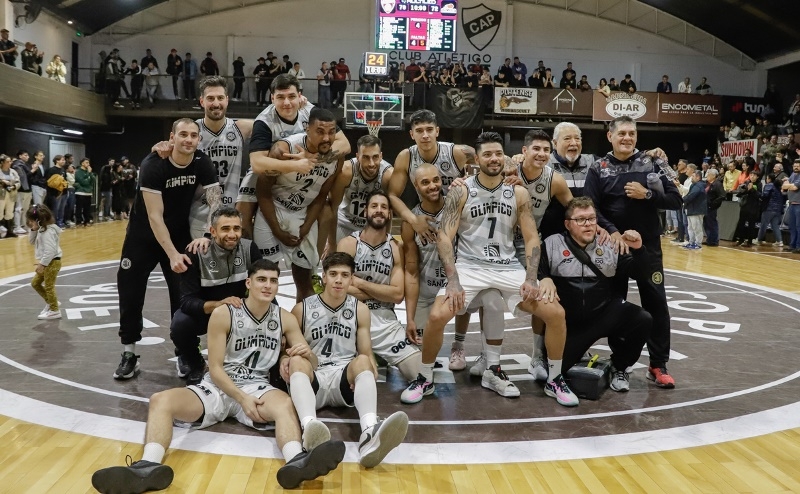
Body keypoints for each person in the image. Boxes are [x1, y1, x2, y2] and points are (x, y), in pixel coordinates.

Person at [92, 259, 345, 493]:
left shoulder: (284, 318)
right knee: (160, 400)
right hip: (217, 386)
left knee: (285, 405)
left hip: (257, 386)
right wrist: (241, 398)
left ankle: (297, 462)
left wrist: (303, 355)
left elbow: (311, 360)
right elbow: (214, 368)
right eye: (261, 279)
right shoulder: (225, 313)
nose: (268, 285)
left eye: (273, 280)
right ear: (249, 283)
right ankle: (147, 467)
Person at [401, 132, 579, 406]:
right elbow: (445, 237)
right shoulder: (461, 190)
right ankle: (425, 378)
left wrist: (532, 277)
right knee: (437, 317)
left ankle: (554, 379)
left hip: (507, 267)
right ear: (478, 159)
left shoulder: (518, 192)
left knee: (555, 313)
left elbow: (532, 237)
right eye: (487, 154)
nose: (493, 158)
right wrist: (453, 279)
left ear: (504, 157)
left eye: (498, 153)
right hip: (470, 267)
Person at [113, 118, 220, 380]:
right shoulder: (153, 165)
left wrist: (208, 233)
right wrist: (172, 254)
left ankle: (185, 352)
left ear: (198, 140)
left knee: (183, 296)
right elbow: (155, 217)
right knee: (130, 291)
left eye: (193, 135)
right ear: (171, 138)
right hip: (143, 237)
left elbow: (215, 199)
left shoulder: (201, 162)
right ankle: (129, 352)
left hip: (178, 233)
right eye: (183, 134)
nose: (188, 140)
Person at [584, 116, 683, 388]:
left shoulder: (654, 162)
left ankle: (658, 364)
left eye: (632, 133)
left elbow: (676, 199)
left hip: (648, 247)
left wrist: (647, 195)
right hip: (613, 247)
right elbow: (591, 207)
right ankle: (620, 363)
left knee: (657, 304)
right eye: (622, 133)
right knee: (617, 305)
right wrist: (613, 232)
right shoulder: (598, 167)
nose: (627, 138)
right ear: (610, 136)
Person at [286, 251, 409, 467]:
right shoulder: (301, 309)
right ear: (323, 277)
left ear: (352, 279)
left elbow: (366, 351)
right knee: (296, 360)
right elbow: (287, 352)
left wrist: (368, 370)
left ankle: (370, 434)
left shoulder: (360, 310)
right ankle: (309, 429)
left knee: (363, 361)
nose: (338, 280)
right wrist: (285, 361)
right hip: (313, 378)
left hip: (344, 381)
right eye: (333, 274)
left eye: (345, 275)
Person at [386, 109, 476, 364]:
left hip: (458, 214)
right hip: (426, 214)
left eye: (429, 129)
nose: (425, 135)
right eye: (419, 130)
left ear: (437, 131)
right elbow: (393, 194)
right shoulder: (406, 156)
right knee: (421, 354)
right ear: (411, 134)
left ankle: (458, 344)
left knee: (461, 282)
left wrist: (470, 179)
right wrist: (413, 220)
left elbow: (492, 162)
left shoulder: (457, 152)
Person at [539, 197, 652, 390]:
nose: (588, 224)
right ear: (568, 224)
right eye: (581, 220)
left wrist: (639, 249)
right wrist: (544, 278)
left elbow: (641, 273)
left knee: (643, 319)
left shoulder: (610, 244)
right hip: (569, 323)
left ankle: (620, 366)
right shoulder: (551, 244)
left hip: (602, 314)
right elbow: (537, 272)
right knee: (554, 372)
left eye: (591, 219)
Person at [237, 74, 351, 239]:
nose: (287, 103)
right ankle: (248, 258)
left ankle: (320, 253)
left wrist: (314, 157)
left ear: (300, 96)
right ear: (272, 99)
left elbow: (345, 144)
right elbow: (257, 163)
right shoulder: (263, 122)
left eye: (291, 96)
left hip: (308, 168)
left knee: (325, 209)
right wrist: (294, 165)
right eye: (280, 97)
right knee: (242, 215)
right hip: (275, 169)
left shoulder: (310, 110)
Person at [336, 191, 425, 396]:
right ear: (365, 210)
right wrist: (379, 291)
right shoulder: (349, 244)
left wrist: (358, 282)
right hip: (350, 317)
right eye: (374, 206)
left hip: (384, 320)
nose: (379, 210)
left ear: (390, 214)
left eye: (384, 207)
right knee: (343, 377)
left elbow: (396, 295)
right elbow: (338, 288)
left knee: (421, 376)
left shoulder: (396, 247)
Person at [254, 108, 343, 302]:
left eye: (331, 132)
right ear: (307, 129)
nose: (327, 138)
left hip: (302, 213)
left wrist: (306, 227)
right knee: (264, 279)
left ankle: (301, 327)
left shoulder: (336, 157)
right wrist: (277, 230)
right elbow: (262, 192)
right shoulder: (283, 150)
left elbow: (321, 196)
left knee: (306, 283)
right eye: (320, 131)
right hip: (273, 210)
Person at [151, 76, 256, 240]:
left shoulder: (240, 128)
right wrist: (160, 146)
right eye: (210, 98)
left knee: (235, 264)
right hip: (199, 215)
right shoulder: (191, 132)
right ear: (202, 101)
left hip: (232, 213)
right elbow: (165, 148)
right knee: (204, 263)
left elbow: (270, 123)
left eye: (220, 98)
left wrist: (303, 105)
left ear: (227, 100)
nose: (216, 103)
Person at [170, 207, 262, 384]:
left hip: (240, 311)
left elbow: (263, 286)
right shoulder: (195, 253)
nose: (232, 234)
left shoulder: (250, 248)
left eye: (236, 228)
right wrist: (219, 304)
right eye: (225, 229)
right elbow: (187, 302)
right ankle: (196, 364)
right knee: (180, 324)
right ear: (212, 231)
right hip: (208, 312)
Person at [328, 134, 393, 245]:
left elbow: (389, 212)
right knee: (336, 258)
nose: (371, 163)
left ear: (381, 156)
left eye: (375, 157)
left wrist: (386, 241)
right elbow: (332, 207)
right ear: (358, 156)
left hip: (372, 227)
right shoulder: (346, 171)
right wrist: (331, 243)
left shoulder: (389, 175)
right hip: (344, 223)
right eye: (366, 157)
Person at [25, 204, 63, 319]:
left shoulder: (47, 232)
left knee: (49, 286)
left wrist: (42, 264)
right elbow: (31, 241)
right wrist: (33, 229)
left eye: (31, 221)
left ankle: (55, 310)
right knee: (35, 283)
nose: (30, 223)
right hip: (48, 262)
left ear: (39, 220)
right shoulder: (41, 230)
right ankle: (52, 302)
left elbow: (50, 251)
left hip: (52, 262)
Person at [732, 169, 761, 247]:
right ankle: (741, 239)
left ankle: (750, 241)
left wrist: (752, 189)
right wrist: (744, 189)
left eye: (754, 175)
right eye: (751, 175)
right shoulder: (747, 182)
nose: (752, 176)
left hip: (753, 207)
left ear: (757, 177)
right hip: (745, 206)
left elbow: (759, 195)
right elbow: (740, 193)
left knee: (751, 224)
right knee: (741, 223)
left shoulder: (759, 184)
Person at [755, 173, 785, 246]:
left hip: (769, 208)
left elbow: (764, 195)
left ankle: (759, 240)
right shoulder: (778, 187)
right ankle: (779, 241)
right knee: (775, 225)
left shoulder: (769, 185)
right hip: (778, 209)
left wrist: (757, 193)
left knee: (763, 225)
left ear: (769, 179)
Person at [682, 169, 707, 250]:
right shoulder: (695, 185)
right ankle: (691, 242)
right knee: (691, 227)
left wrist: (682, 199)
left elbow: (691, 196)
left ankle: (698, 244)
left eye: (693, 176)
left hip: (697, 210)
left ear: (698, 177)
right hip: (691, 209)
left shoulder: (699, 186)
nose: (691, 178)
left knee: (697, 227)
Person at [11, 150, 32, 235]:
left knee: (26, 209)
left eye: (28, 155)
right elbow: (22, 177)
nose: (28, 157)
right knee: (19, 209)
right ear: (20, 156)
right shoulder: (17, 165)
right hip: (21, 189)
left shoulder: (25, 165)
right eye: (25, 155)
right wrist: (32, 171)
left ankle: (24, 225)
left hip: (28, 189)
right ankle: (17, 227)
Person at [44, 155, 67, 228]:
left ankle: (60, 222)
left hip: (63, 192)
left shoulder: (63, 170)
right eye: (62, 160)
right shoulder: (51, 170)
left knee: (62, 209)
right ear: (57, 161)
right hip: (54, 193)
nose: (64, 161)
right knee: (55, 209)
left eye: (64, 160)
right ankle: (54, 223)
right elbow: (48, 182)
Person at [0, 154, 21, 238]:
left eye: (10, 161)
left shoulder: (13, 171)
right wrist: (2, 182)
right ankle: (1, 231)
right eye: (7, 162)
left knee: (10, 212)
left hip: (11, 194)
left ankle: (10, 231)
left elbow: (18, 182)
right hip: (1, 194)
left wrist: (14, 186)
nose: (10, 163)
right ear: (2, 162)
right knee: (0, 212)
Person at [782, 160, 800, 253]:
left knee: (799, 226)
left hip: (799, 204)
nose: (796, 167)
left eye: (798, 166)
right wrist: (789, 184)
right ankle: (792, 245)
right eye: (795, 166)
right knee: (792, 226)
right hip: (792, 203)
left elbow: (795, 187)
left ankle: (798, 246)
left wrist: (788, 184)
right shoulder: (793, 174)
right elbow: (784, 187)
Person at [703, 169, 724, 247]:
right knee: (706, 223)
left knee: (712, 223)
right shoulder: (707, 184)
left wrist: (713, 204)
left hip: (711, 207)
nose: (707, 176)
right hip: (705, 206)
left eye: (709, 174)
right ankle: (709, 239)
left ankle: (714, 240)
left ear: (714, 176)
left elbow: (722, 195)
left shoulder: (717, 184)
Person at [74, 158, 95, 227]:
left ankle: (87, 221)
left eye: (88, 163)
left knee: (87, 208)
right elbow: (83, 182)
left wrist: (89, 174)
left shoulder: (88, 171)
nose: (88, 164)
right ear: (82, 163)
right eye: (86, 162)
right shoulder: (78, 172)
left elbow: (93, 180)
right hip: (80, 192)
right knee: (79, 208)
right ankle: (78, 222)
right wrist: (89, 175)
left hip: (88, 192)